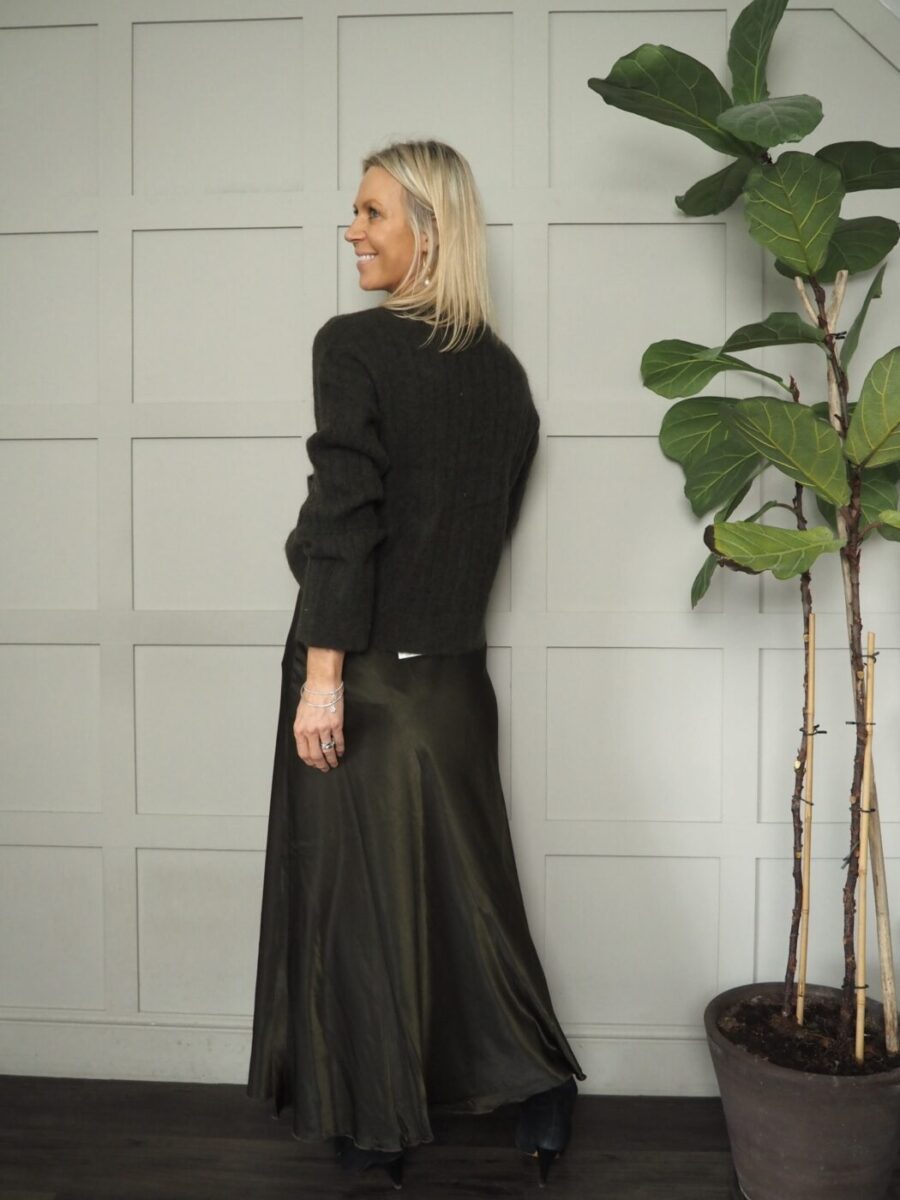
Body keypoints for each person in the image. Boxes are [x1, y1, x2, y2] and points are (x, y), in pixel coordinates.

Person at [246, 139, 586, 1189]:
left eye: (372, 212)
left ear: (429, 233)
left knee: (359, 909)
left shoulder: (353, 347)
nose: (352, 229)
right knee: (470, 899)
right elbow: (482, 523)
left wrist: (323, 678)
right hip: (454, 683)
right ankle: (541, 1094)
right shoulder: (502, 374)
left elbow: (344, 517)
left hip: (363, 678)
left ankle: (379, 1127)